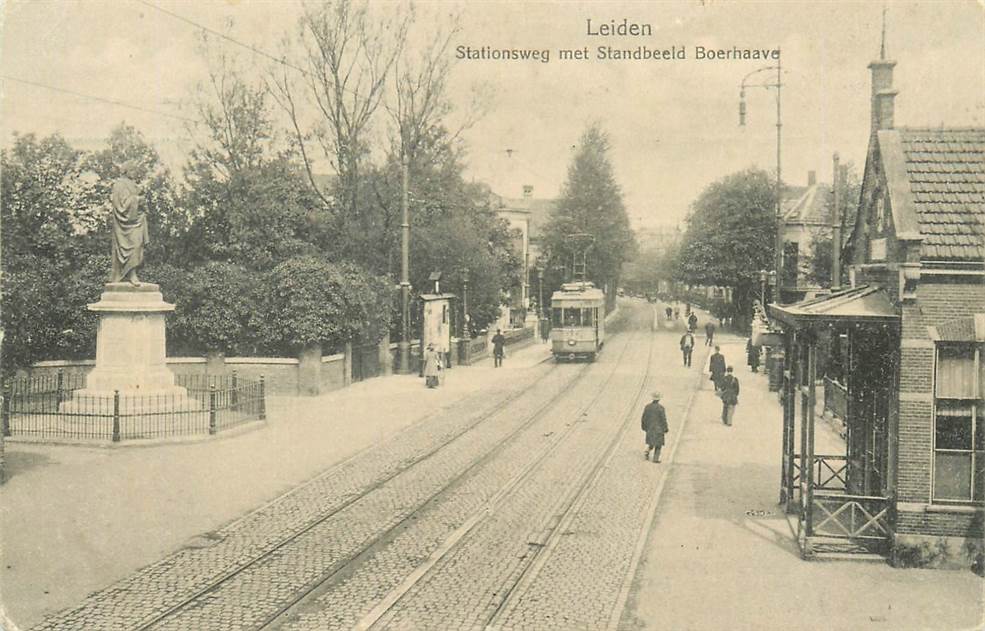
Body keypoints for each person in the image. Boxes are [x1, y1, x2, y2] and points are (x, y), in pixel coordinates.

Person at [109, 160, 149, 285]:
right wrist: (137, 200)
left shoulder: (133, 184)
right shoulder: (119, 184)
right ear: (125, 171)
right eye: (132, 170)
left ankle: (133, 273)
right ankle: (131, 275)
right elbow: (121, 205)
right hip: (125, 224)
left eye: (135, 171)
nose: (135, 173)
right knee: (133, 246)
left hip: (137, 220)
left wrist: (142, 201)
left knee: (138, 245)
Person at [641, 392, 669, 462]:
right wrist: (665, 428)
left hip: (650, 428)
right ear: (659, 399)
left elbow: (644, 418)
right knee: (658, 444)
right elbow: (663, 419)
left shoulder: (647, 407)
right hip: (659, 429)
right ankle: (655, 459)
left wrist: (644, 426)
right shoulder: (661, 408)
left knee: (652, 441)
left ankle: (647, 450)